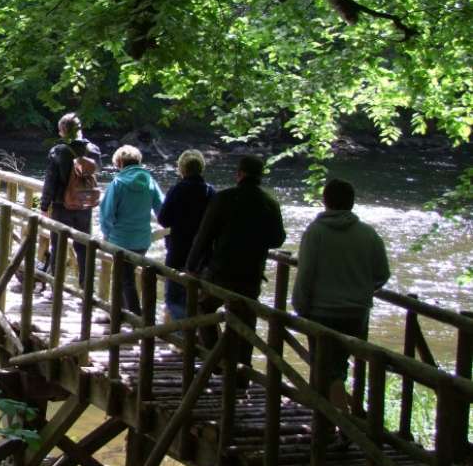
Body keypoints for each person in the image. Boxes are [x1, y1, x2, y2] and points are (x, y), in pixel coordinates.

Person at [292, 178, 389, 415]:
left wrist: (300, 307)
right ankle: (352, 417)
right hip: (357, 313)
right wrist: (361, 292)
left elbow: (306, 274)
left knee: (327, 370)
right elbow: (382, 274)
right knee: (344, 367)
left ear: (325, 201)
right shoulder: (368, 234)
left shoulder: (316, 233)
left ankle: (342, 425)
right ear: (352, 203)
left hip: (322, 312)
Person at [186, 155, 286, 374]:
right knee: (246, 321)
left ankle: (217, 359)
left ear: (239, 174)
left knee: (203, 308)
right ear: (260, 176)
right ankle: (243, 371)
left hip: (220, 271)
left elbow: (204, 235)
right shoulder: (270, 203)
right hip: (251, 273)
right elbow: (278, 239)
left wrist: (191, 265)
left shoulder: (224, 198)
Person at [99, 146, 164, 314]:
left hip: (120, 239)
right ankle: (120, 314)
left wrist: (106, 234)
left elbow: (107, 212)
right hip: (142, 240)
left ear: (119, 162)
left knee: (124, 279)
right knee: (126, 277)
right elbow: (161, 209)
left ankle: (135, 317)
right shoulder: (150, 181)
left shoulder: (118, 183)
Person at [39, 113, 101, 286]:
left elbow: (50, 182)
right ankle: (86, 289)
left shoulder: (58, 151)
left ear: (62, 131)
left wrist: (43, 206)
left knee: (58, 247)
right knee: (84, 249)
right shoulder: (93, 150)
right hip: (85, 205)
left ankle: (56, 287)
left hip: (62, 206)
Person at [158, 150, 216, 320]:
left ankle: (181, 335)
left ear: (182, 169)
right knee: (198, 296)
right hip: (203, 252)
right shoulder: (210, 192)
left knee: (174, 295)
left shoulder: (176, 190)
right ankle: (193, 334)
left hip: (178, 248)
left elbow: (164, 219)